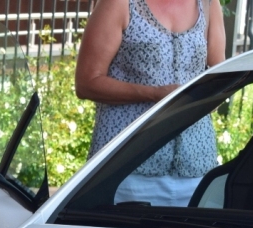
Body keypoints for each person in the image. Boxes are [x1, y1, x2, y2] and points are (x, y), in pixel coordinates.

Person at [76, 0, 224, 206]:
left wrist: (209, 96)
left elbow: (221, 78)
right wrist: (153, 94)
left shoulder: (208, 4)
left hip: (196, 171)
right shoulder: (119, 4)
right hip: (128, 171)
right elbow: (87, 82)